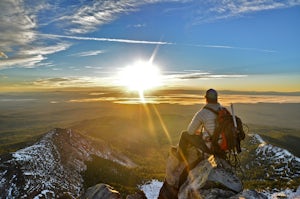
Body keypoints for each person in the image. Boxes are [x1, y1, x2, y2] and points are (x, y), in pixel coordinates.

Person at [174, 88, 223, 161]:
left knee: (184, 134)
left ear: (206, 99)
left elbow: (190, 131)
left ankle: (180, 159)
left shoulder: (202, 113)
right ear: (216, 99)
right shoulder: (223, 110)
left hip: (211, 146)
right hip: (223, 146)